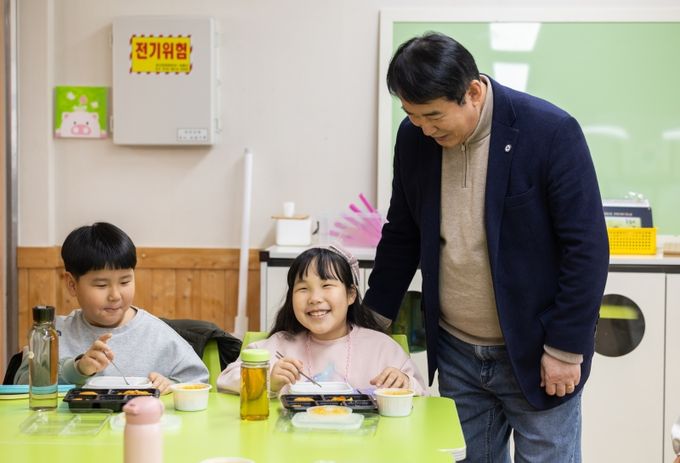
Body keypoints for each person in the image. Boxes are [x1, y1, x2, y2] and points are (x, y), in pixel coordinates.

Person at [363, 32, 609, 462]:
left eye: (433, 115)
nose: (424, 127)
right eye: (412, 115)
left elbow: (586, 247)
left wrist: (565, 348)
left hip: (538, 350)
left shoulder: (549, 132)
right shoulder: (414, 138)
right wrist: (369, 323)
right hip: (456, 351)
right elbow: (402, 233)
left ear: (473, 92)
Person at [15, 222, 208, 393]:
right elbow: (21, 385)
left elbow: (199, 380)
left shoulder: (158, 335)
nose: (115, 295)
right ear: (72, 284)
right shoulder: (52, 334)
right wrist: (77, 370)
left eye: (125, 282)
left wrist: (171, 385)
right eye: (101, 285)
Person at [217, 245, 427, 395]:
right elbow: (225, 379)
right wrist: (268, 379)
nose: (315, 298)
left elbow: (422, 394)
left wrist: (404, 383)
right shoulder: (281, 343)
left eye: (326, 286)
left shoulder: (380, 347)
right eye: (303, 288)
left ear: (351, 294)